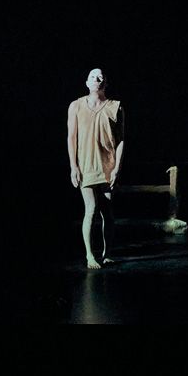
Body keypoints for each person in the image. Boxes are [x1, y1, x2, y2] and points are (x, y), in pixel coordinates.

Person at [67, 68, 124, 269]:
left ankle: (107, 253)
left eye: (100, 77)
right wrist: (73, 166)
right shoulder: (76, 106)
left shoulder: (115, 107)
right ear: (86, 82)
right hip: (86, 165)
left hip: (107, 165)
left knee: (107, 211)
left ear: (105, 83)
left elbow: (121, 140)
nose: (97, 79)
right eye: (93, 76)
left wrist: (117, 167)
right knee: (90, 209)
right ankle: (90, 255)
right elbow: (71, 137)